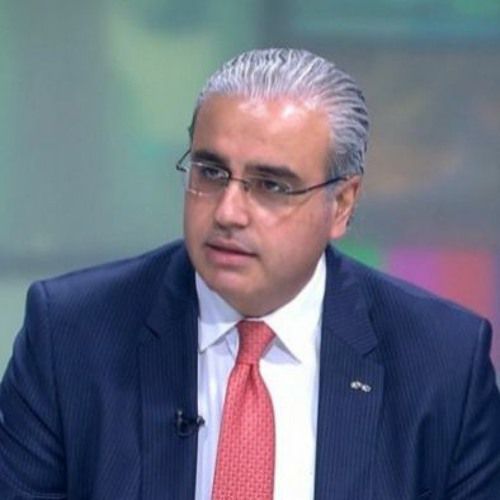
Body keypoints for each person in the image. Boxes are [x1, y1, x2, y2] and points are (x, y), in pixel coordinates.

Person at [1, 48, 499, 500]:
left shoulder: (441, 362)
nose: (228, 212)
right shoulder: (71, 336)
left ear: (342, 204)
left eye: (271, 185)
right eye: (210, 172)